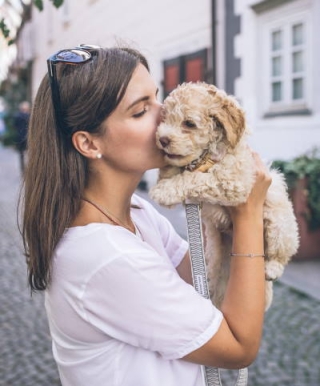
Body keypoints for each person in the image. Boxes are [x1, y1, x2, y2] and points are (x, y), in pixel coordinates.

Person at [22, 45, 271, 386]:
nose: (164, 114)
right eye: (141, 111)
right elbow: (239, 348)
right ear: (89, 144)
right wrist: (248, 215)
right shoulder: (106, 256)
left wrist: (223, 192)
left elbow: (200, 278)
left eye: (157, 97)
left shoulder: (136, 213)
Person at [14, 101, 30, 173]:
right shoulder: (29, 116)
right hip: (28, 137)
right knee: (28, 153)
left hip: (20, 137)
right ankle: (28, 168)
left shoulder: (17, 116)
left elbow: (15, 126)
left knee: (21, 155)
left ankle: (23, 169)